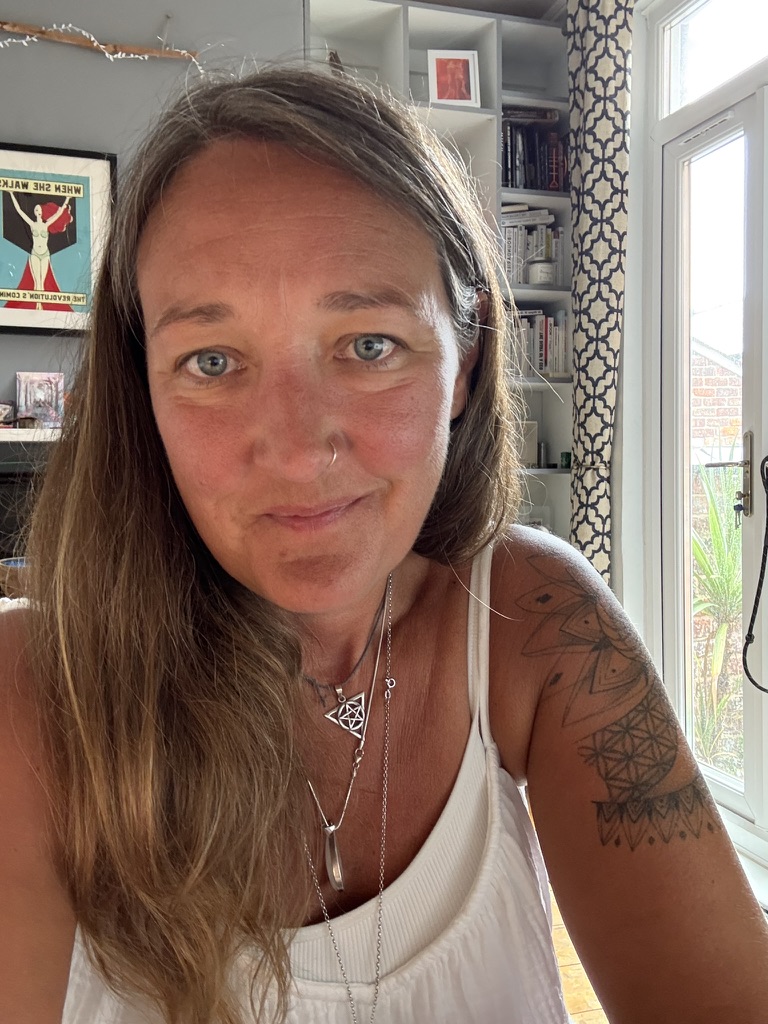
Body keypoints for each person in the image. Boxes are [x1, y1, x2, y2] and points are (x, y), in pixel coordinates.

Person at [1, 65, 767, 1024]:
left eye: (368, 344)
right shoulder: (32, 697)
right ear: (142, 393)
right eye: (211, 361)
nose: (295, 448)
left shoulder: (531, 624)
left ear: (463, 364)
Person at [5, 192, 73, 310]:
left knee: (42, 281)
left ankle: (41, 305)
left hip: (45, 254)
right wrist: (11, 194)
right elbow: (19, 210)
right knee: (37, 281)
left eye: (39, 210)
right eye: (36, 210)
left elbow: (59, 213)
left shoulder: (46, 225)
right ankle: (37, 305)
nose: (38, 212)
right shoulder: (32, 225)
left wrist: (67, 199)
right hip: (35, 254)